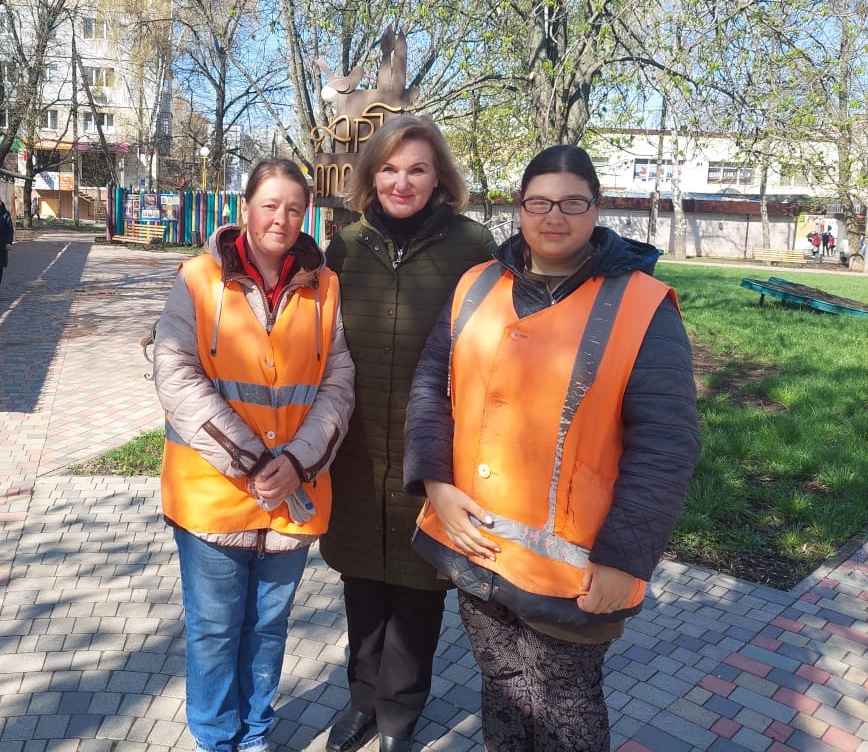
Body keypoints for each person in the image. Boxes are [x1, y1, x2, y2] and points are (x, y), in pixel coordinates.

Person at [404, 144, 700, 752]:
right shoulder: (476, 286)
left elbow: (665, 447)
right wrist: (437, 484)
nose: (554, 217)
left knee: (565, 710)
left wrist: (625, 560)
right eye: (538, 202)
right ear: (519, 208)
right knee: (504, 689)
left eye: (572, 202)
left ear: (597, 209)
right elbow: (433, 386)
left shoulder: (640, 305)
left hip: (575, 570)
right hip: (479, 549)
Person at [152, 158, 356, 752]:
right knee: (215, 631)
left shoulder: (326, 289)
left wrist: (295, 462)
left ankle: (256, 736)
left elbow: (338, 384)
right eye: (271, 205)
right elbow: (175, 373)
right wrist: (251, 460)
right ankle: (217, 740)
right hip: (214, 494)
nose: (282, 218)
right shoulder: (198, 279)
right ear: (246, 209)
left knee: (267, 630)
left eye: (295, 207)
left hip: (292, 493)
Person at [319, 115, 496, 752]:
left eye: (417, 168)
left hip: (433, 450)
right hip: (356, 450)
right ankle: (362, 701)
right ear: (370, 176)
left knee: (420, 594)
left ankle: (398, 716)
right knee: (361, 585)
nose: (402, 181)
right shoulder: (344, 247)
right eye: (390, 169)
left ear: (439, 176)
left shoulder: (474, 248)